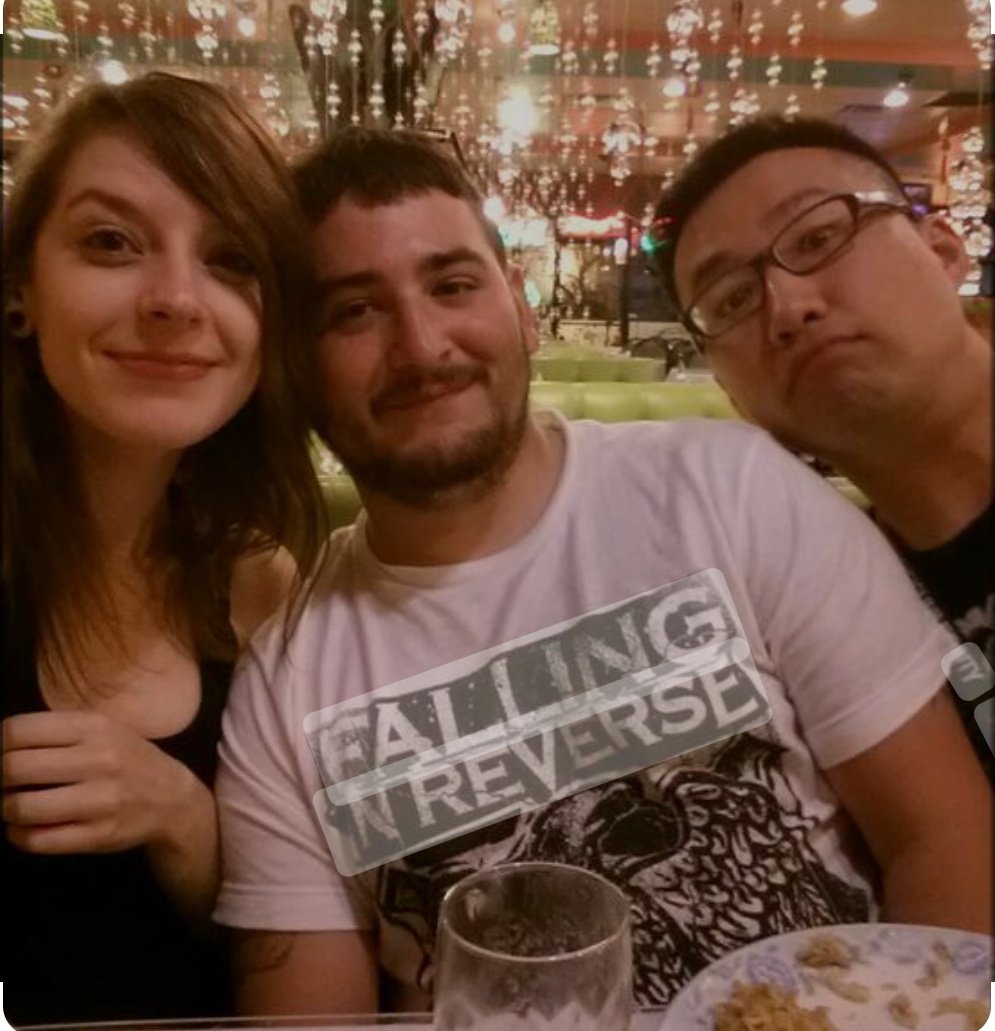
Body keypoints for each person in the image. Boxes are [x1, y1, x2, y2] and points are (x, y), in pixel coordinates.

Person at [213, 128, 992, 1016]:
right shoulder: (285, 685)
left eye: (453, 285)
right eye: (353, 311)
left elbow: (945, 838)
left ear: (520, 306)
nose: (422, 346)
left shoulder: (728, 489)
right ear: (297, 365)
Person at [1, 73, 327, 1025]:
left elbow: (284, 944)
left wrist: (184, 815)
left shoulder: (257, 578)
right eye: (112, 242)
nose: (178, 299)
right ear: (19, 290)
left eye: (231, 259)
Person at [651, 115, 992, 775]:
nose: (786, 308)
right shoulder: (834, 605)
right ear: (730, 392)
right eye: (732, 299)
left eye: (817, 238)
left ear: (943, 251)